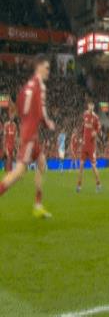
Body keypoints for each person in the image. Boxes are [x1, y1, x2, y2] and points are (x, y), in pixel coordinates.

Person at [0, 54, 55, 218]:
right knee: (19, 172)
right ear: (39, 67)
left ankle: (38, 205)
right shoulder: (39, 86)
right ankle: (37, 205)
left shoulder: (28, 86)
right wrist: (48, 123)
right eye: (46, 68)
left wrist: (26, 119)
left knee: (42, 163)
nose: (48, 71)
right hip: (30, 133)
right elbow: (42, 112)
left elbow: (19, 104)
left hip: (29, 131)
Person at [76, 102, 101, 192]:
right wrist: (81, 137)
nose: (91, 107)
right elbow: (83, 127)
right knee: (81, 166)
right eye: (89, 106)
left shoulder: (96, 117)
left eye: (92, 106)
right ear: (88, 106)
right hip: (84, 145)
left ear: (93, 107)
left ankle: (98, 184)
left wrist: (96, 132)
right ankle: (79, 185)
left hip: (91, 146)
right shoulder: (85, 114)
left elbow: (99, 127)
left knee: (93, 167)